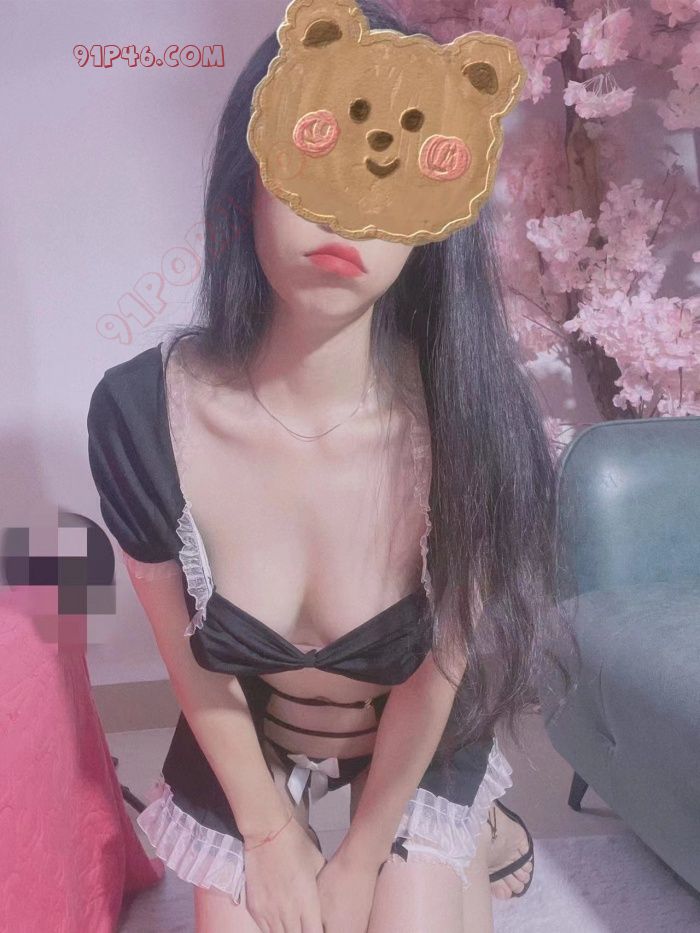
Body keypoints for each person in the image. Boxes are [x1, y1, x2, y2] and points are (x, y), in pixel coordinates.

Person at [87, 3, 569, 930]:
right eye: (318, 157)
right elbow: (188, 658)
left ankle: (475, 821)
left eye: (396, 177)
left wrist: (360, 858)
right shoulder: (140, 416)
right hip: (250, 728)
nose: (351, 209)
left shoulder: (473, 422)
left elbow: (439, 672)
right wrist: (269, 834)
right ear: (251, 180)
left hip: (413, 730)